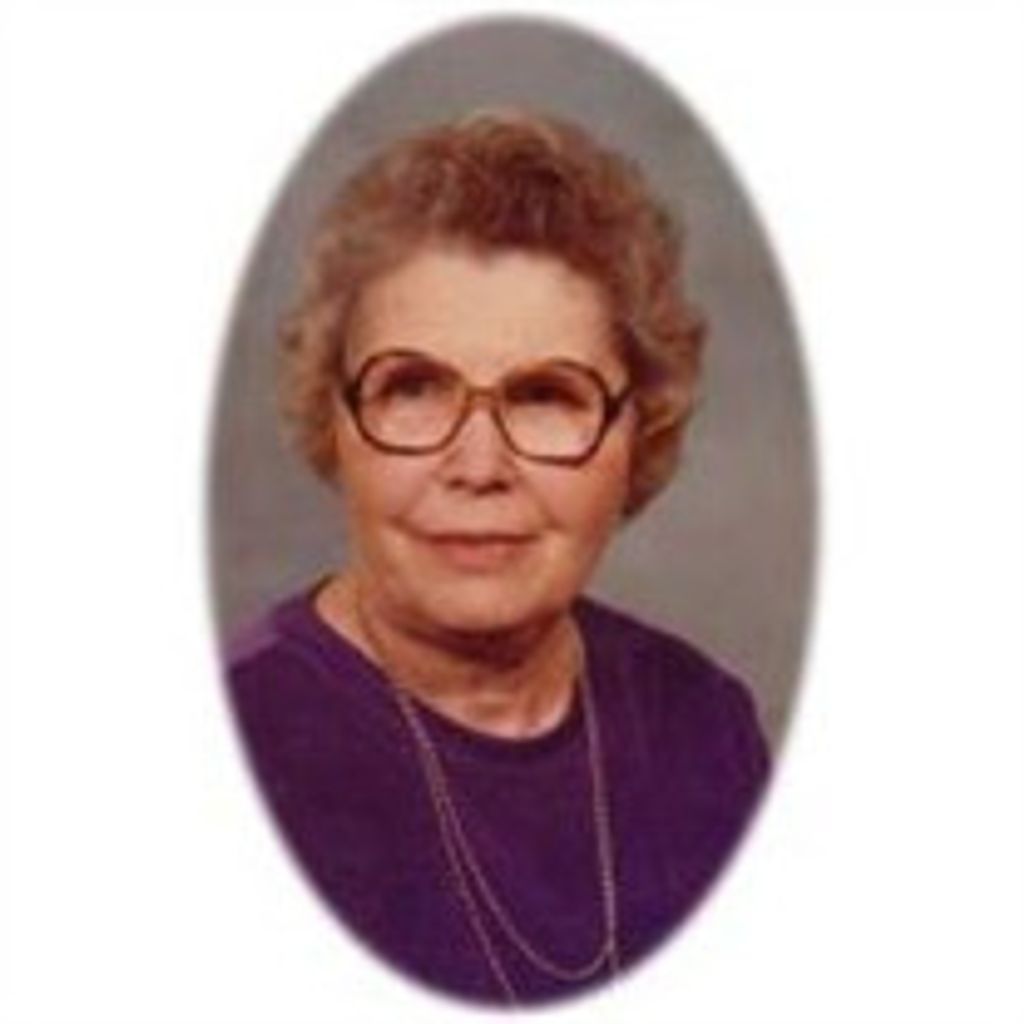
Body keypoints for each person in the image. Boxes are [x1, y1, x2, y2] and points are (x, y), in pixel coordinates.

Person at [227, 109, 769, 1007]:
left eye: (546, 396)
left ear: (638, 433)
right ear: (334, 420)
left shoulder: (704, 726)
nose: (479, 467)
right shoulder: (238, 743)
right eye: (413, 388)